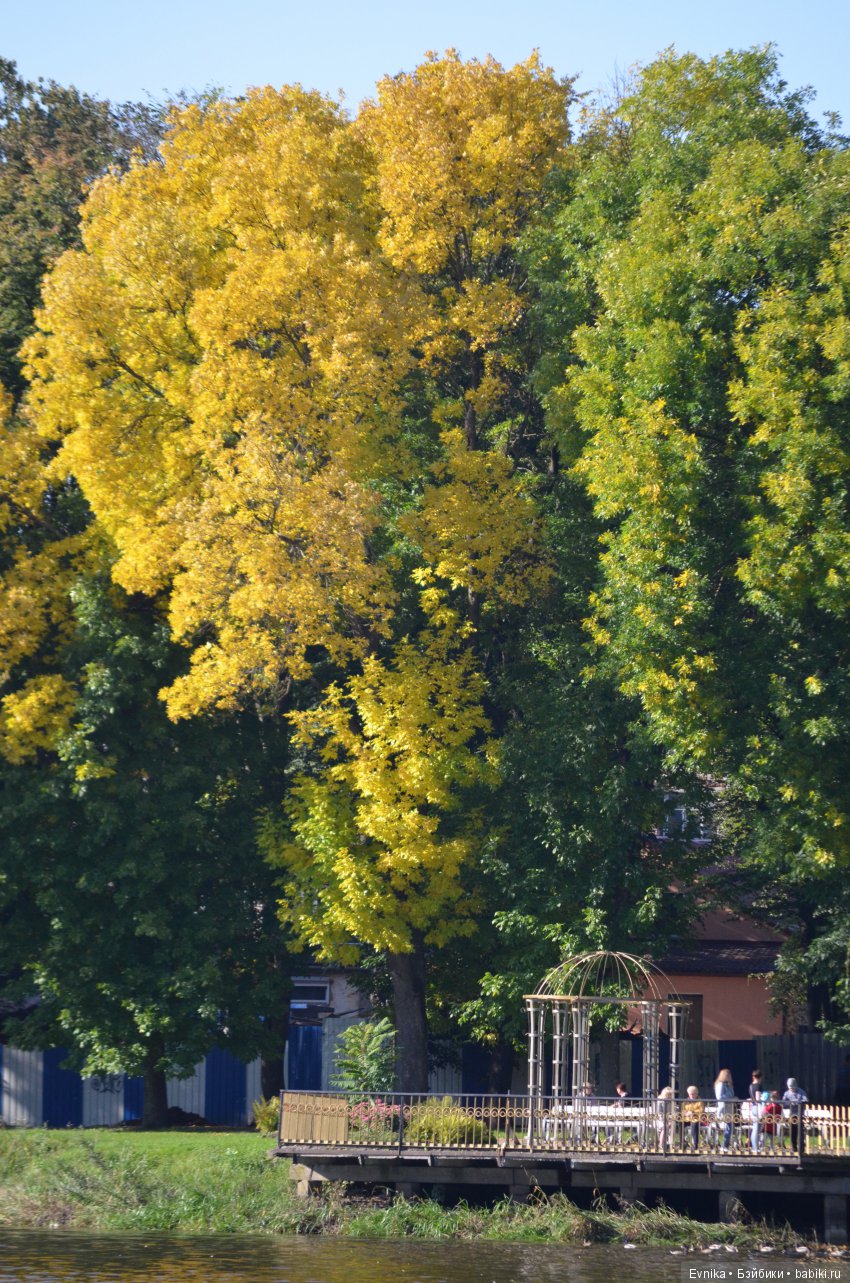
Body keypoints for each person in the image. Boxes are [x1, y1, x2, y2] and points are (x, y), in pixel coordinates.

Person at [783, 1077, 809, 1153]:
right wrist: (789, 1103)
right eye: (790, 1088)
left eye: (793, 1088)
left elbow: (806, 1100)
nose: (791, 1089)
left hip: (800, 1114)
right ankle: (794, 1147)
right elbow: (784, 1102)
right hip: (792, 1115)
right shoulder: (786, 1093)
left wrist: (798, 1102)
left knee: (800, 1131)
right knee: (793, 1132)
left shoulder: (801, 1092)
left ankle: (801, 1147)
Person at [714, 1068, 736, 1151]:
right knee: (728, 1127)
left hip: (729, 1108)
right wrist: (731, 1099)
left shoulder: (728, 1085)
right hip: (724, 1108)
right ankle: (724, 1146)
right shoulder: (720, 1084)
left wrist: (734, 1098)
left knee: (730, 1127)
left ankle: (726, 1145)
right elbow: (719, 1097)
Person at [682, 1084, 703, 1150]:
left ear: (697, 1093)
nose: (692, 1096)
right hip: (687, 1118)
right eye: (690, 1094)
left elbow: (701, 1111)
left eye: (693, 1094)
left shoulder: (700, 1101)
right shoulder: (686, 1101)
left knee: (694, 1127)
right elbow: (683, 1109)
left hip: (696, 1119)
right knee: (680, 1124)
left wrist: (692, 1112)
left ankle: (695, 1145)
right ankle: (682, 1143)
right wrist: (685, 1113)